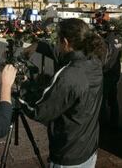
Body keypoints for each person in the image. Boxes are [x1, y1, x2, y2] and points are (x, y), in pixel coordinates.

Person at [21, 18, 107, 167]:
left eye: (58, 41)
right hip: (88, 147)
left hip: (68, 153)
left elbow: (39, 111)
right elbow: (61, 54)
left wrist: (22, 86)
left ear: (65, 42)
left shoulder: (69, 76)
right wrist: (37, 46)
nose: (57, 44)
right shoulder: (94, 60)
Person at [100, 24, 122, 129]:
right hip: (115, 73)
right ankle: (114, 124)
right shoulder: (119, 40)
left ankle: (103, 126)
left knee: (102, 101)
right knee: (113, 101)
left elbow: (104, 60)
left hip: (106, 74)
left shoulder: (106, 42)